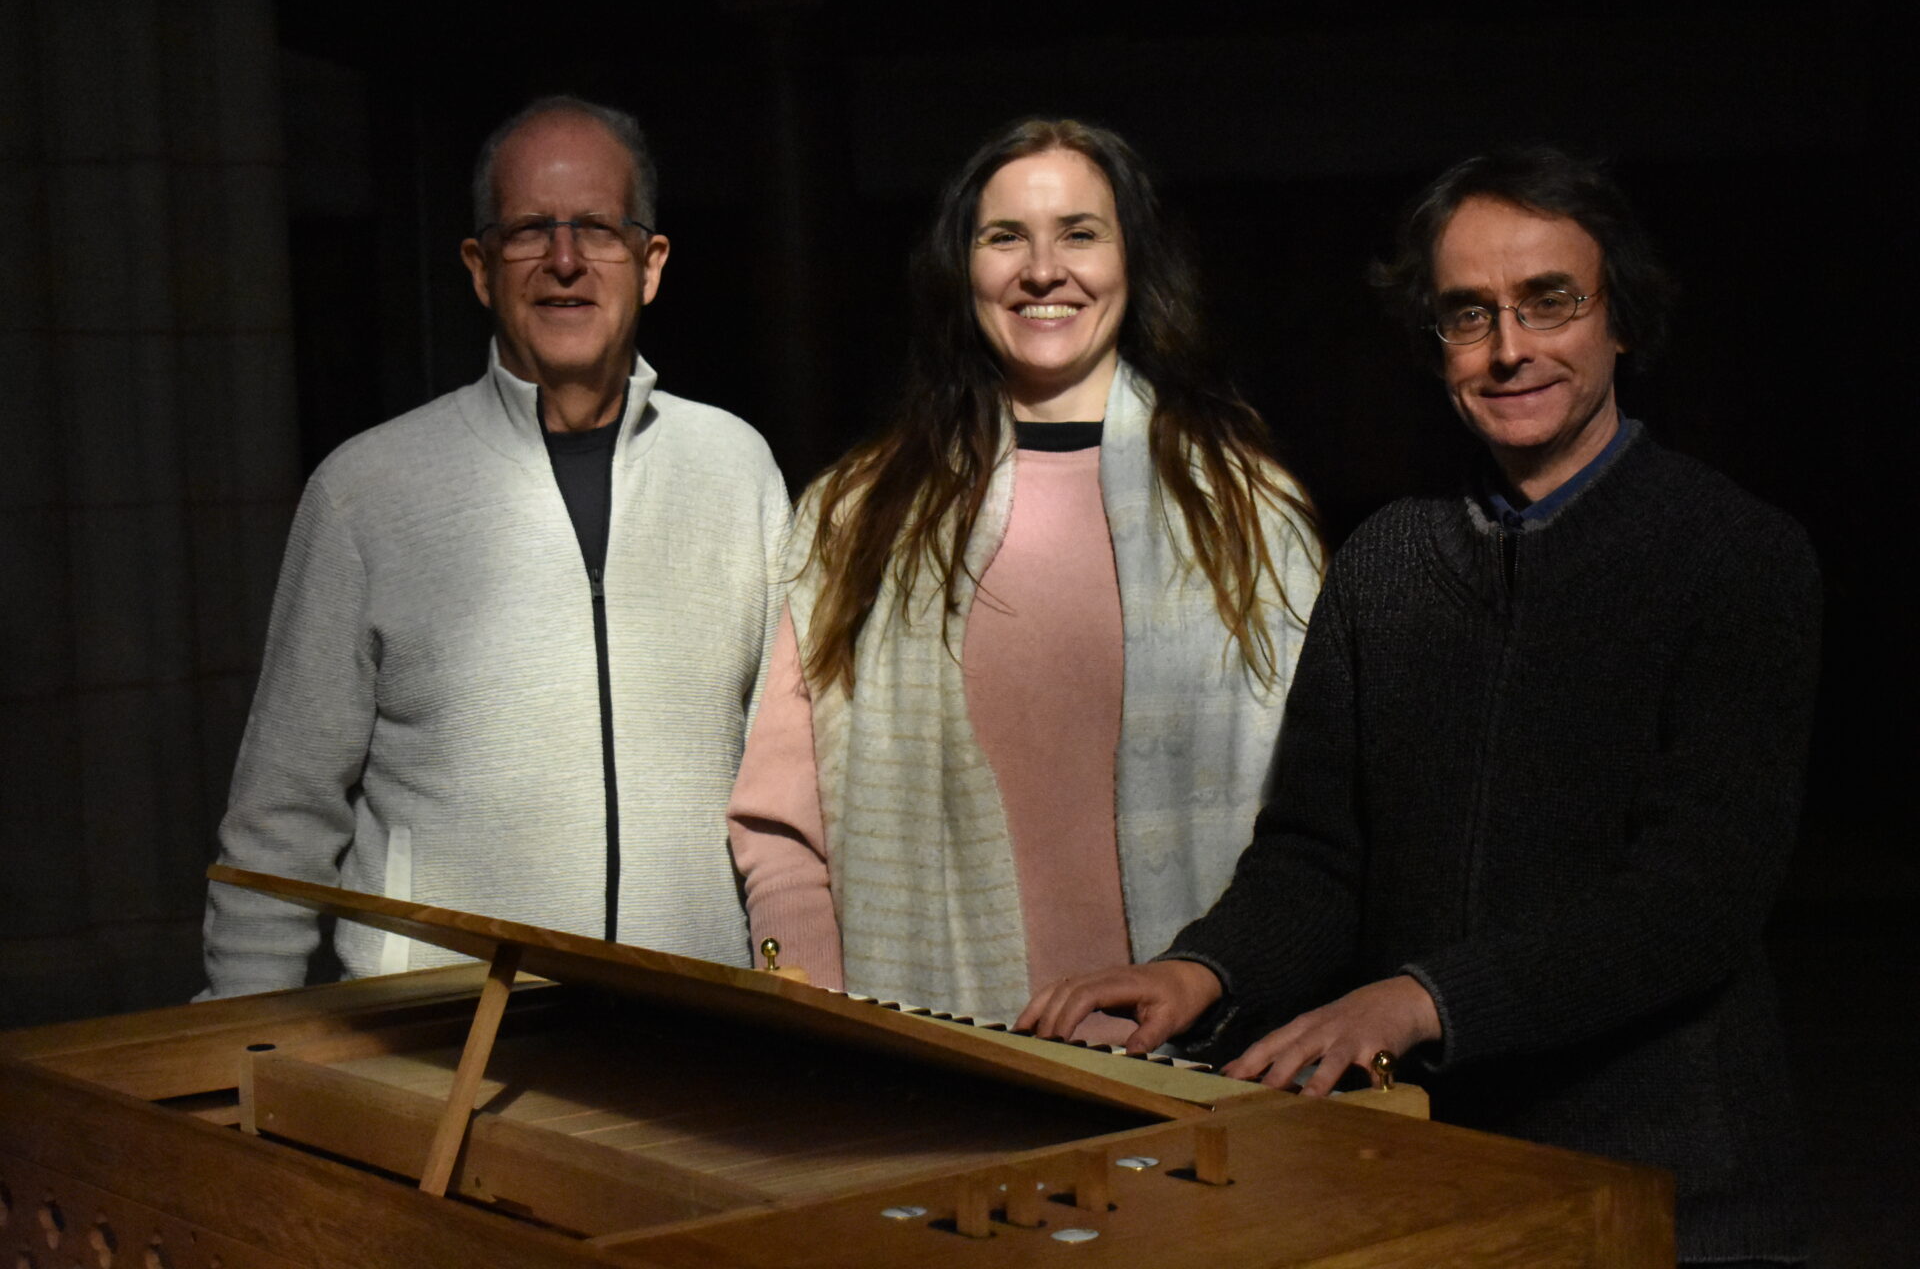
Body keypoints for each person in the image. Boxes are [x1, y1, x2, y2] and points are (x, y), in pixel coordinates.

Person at [1019, 147, 1820, 1264]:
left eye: (1550, 302)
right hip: (1426, 1169)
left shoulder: (1736, 556)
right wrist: (1201, 971)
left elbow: (1696, 896)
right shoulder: (1385, 562)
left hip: (1676, 1188)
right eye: (1467, 314)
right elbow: (1314, 856)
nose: (1509, 348)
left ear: (1620, 318)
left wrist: (1417, 998)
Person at [729, 118, 1322, 1036]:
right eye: (1005, 236)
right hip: (927, 1066)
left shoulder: (1250, 516)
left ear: (1134, 259)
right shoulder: (860, 515)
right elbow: (780, 822)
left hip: (1201, 1068)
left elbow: (1319, 828)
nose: (1043, 270)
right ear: (961, 268)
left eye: (1080, 233)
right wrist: (816, 1000)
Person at [200, 96, 791, 995]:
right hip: (441, 1048)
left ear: (650, 262)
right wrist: (235, 1041)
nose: (563, 261)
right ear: (480, 268)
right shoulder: (366, 491)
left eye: (596, 227)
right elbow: (282, 814)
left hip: (695, 1043)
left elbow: (790, 786)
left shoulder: (736, 470)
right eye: (528, 232)